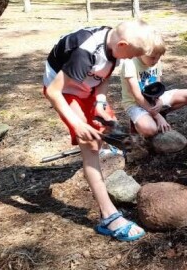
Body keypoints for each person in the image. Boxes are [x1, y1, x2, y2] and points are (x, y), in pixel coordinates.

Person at [43, 21, 155, 241]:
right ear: (122, 44)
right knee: (91, 145)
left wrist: (100, 101)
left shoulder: (114, 46)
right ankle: (108, 216)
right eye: (128, 55)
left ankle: (108, 144)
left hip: (87, 88)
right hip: (66, 92)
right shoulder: (84, 53)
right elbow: (53, 91)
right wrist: (77, 125)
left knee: (107, 127)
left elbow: (103, 77)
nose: (125, 60)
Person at [119, 33, 187, 137]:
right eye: (152, 57)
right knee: (150, 130)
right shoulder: (129, 63)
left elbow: (157, 88)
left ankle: (158, 113)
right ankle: (138, 125)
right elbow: (137, 96)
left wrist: (159, 101)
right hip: (135, 103)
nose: (155, 61)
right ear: (141, 51)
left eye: (158, 58)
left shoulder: (156, 62)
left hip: (152, 100)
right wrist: (157, 116)